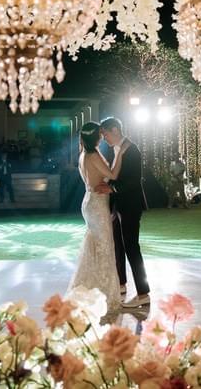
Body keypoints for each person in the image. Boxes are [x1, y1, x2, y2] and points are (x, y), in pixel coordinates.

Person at [68, 122, 127, 310]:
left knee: (93, 244)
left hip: (89, 200)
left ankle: (90, 286)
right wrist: (120, 153)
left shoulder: (83, 155)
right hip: (97, 204)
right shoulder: (93, 155)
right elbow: (113, 174)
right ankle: (105, 292)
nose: (103, 136)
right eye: (100, 133)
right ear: (96, 137)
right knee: (104, 247)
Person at [96, 117, 150, 309]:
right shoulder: (116, 149)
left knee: (132, 248)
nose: (104, 138)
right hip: (118, 206)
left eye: (105, 134)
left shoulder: (132, 149)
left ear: (116, 130)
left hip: (131, 205)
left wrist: (112, 189)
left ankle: (143, 293)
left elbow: (134, 181)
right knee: (118, 246)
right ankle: (121, 285)